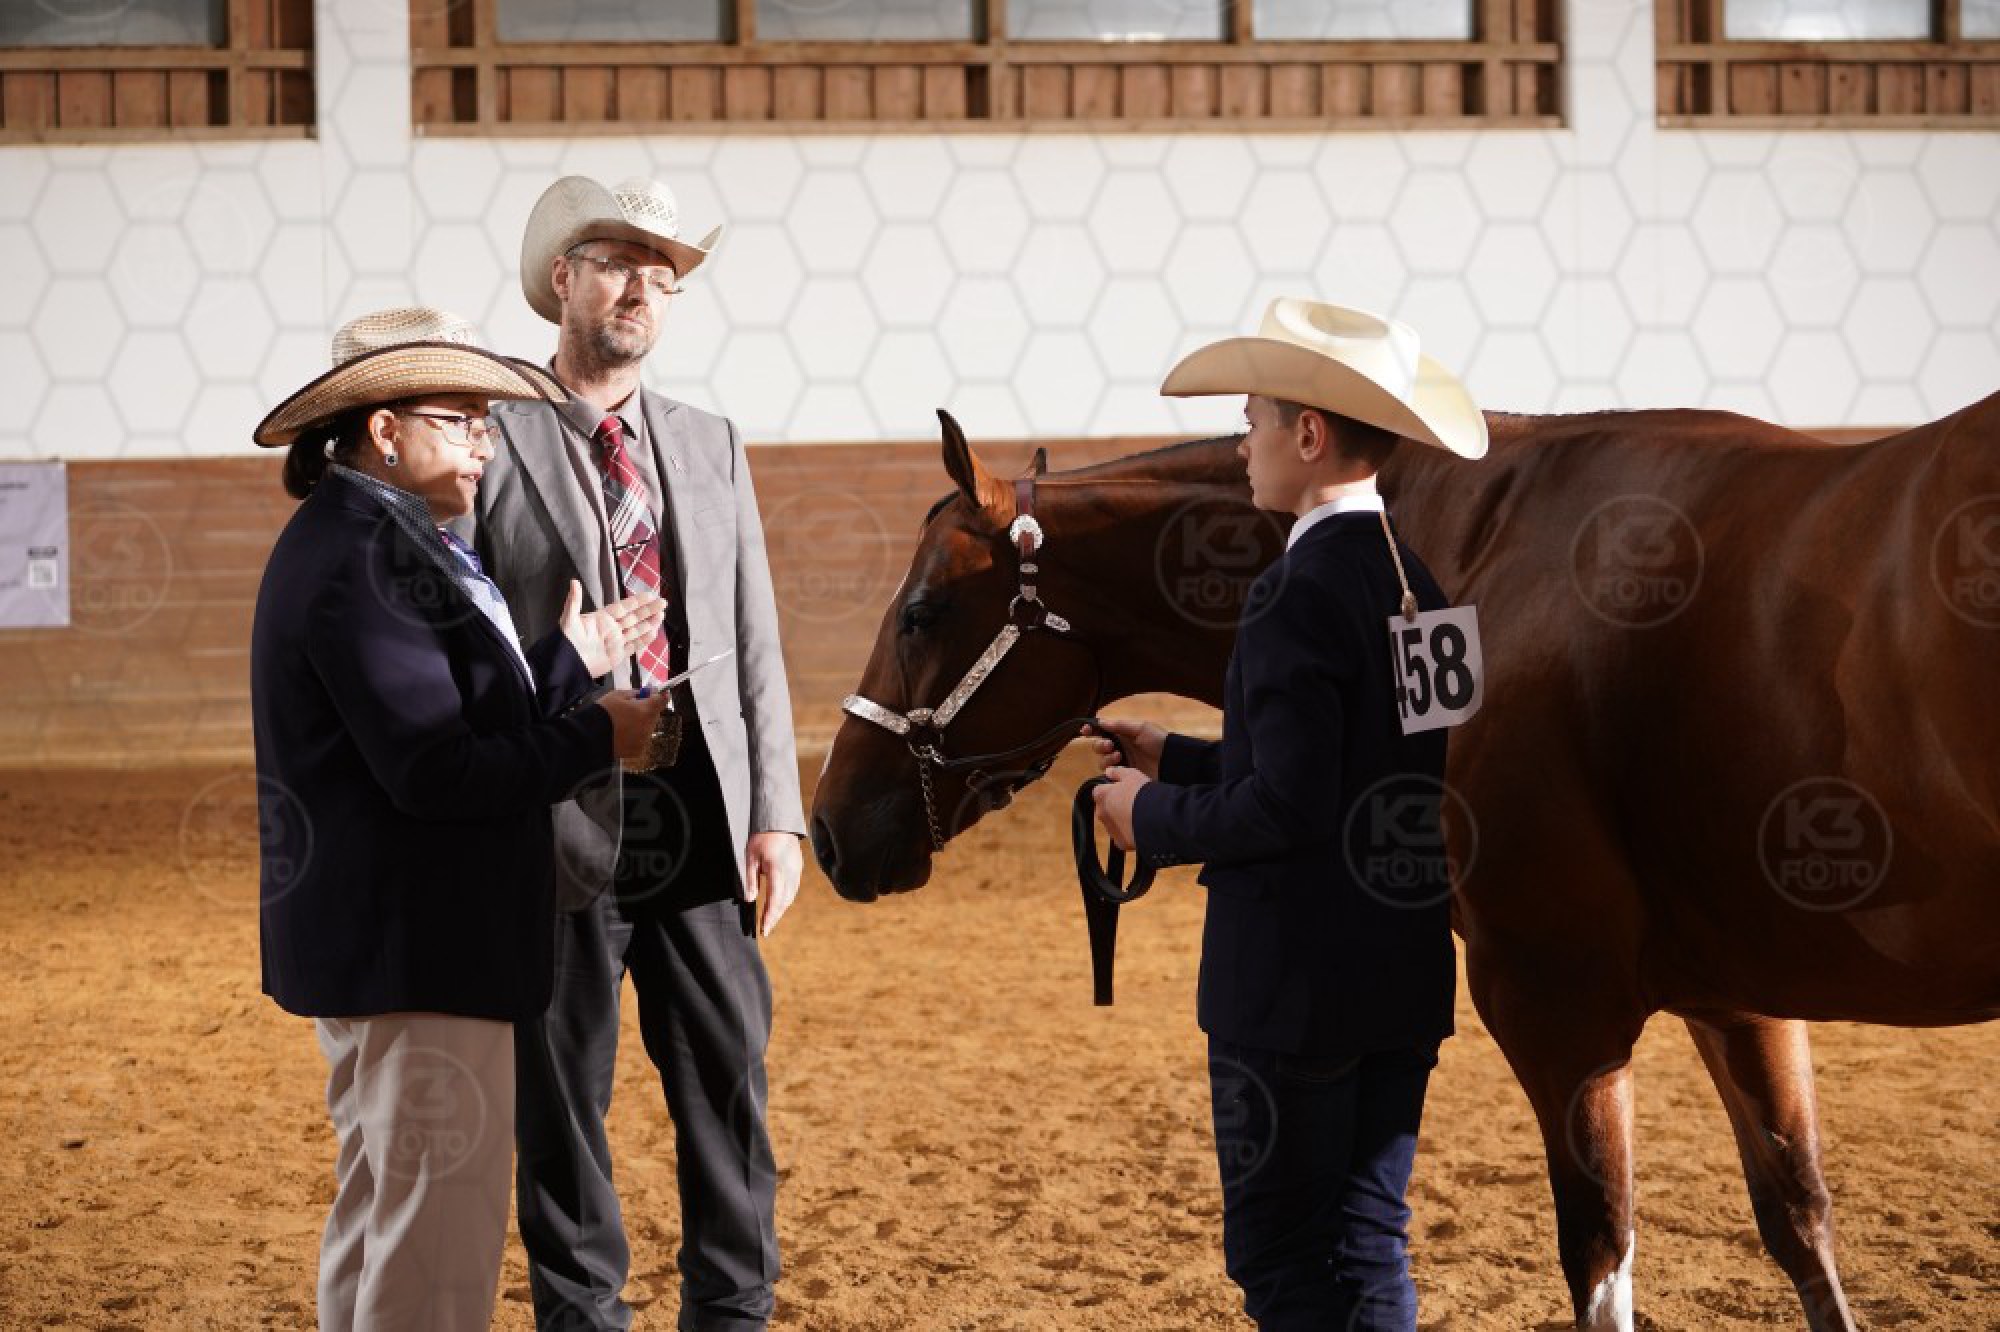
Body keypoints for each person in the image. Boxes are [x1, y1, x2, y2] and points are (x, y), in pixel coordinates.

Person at [250, 306, 671, 1332]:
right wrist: (598, 735)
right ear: (384, 431)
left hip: (394, 947)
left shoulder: (375, 536)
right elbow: (437, 772)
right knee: (434, 1251)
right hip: (424, 947)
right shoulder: (369, 559)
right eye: (461, 419)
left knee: (384, 1220)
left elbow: (444, 712)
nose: (485, 440)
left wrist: (567, 661)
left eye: (486, 420)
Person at [1089, 298, 1489, 1331]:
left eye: (1251, 422)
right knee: (1367, 1241)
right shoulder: (1422, 580)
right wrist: (1176, 754)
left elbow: (1289, 805)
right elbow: (1369, 770)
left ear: (1307, 435)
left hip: (1294, 989)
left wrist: (1150, 816)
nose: (1240, 445)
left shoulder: (1290, 590)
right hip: (1400, 970)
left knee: (1283, 1262)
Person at [460, 176, 806, 1331]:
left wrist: (777, 814)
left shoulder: (709, 444)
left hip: (700, 811)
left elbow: (753, 638)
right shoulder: (489, 440)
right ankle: (581, 1315)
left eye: (660, 278)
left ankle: (732, 1309)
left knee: (728, 1075)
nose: (639, 293)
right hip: (558, 813)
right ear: (562, 279)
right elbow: (462, 644)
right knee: (562, 1096)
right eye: (614, 266)